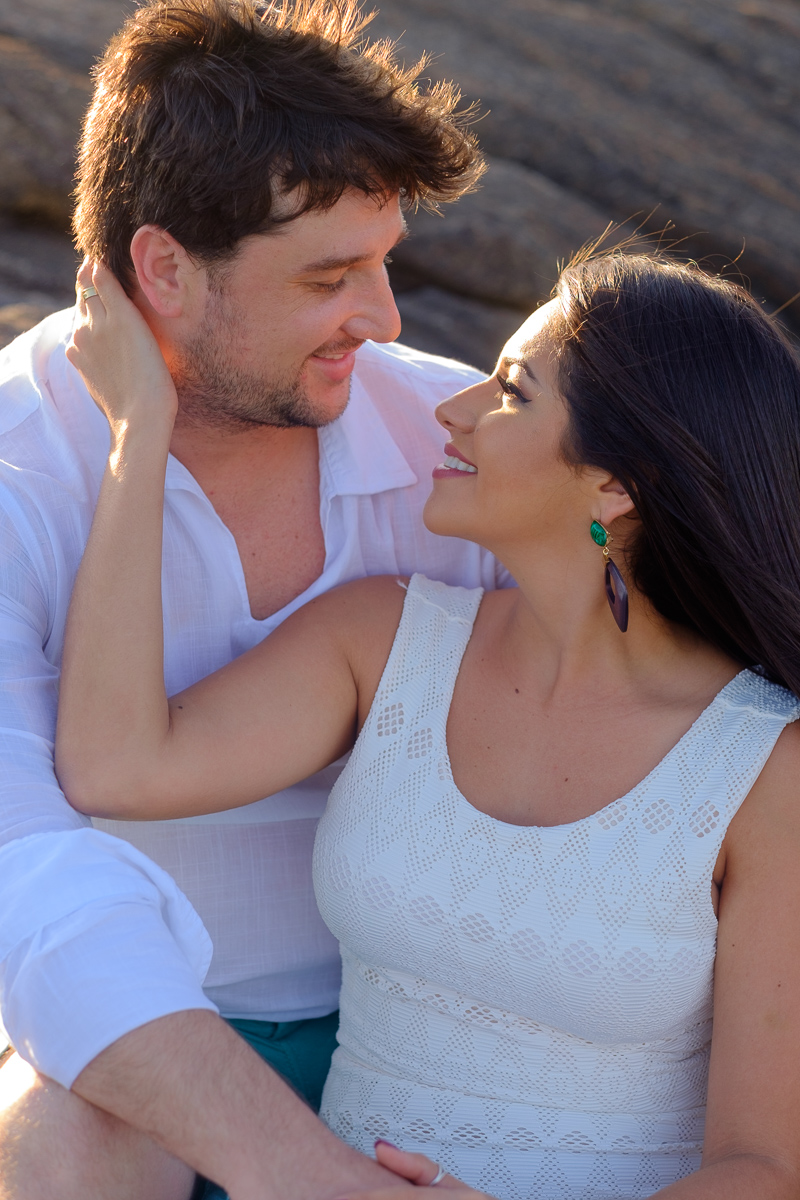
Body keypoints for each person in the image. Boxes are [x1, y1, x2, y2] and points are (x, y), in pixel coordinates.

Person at [57, 248, 800, 1200]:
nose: (456, 410)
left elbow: (766, 1168)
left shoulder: (764, 766)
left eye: (514, 391)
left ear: (617, 486)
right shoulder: (383, 641)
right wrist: (138, 434)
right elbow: (117, 764)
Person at [0, 2, 511, 1197]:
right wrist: (312, 1179)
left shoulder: (462, 444)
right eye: (330, 278)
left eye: (385, 265)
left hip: (436, 1036)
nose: (382, 322)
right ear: (163, 269)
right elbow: (21, 875)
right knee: (63, 1133)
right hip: (142, 1066)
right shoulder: (17, 469)